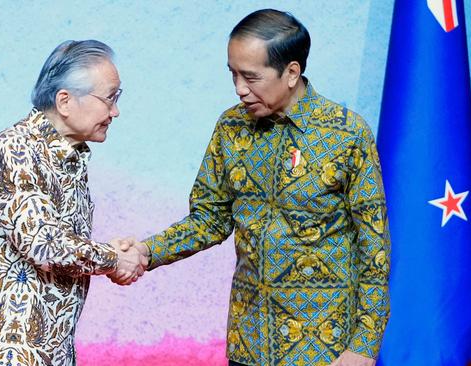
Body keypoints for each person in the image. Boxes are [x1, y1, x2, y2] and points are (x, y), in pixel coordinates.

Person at [126, 9, 390, 366]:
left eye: (251, 77)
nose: (239, 89)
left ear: (292, 72)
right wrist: (145, 251)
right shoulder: (230, 128)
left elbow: (373, 250)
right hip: (249, 344)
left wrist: (363, 347)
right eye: (233, 74)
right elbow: (210, 219)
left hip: (325, 351)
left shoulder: (347, 134)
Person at [0, 40, 148, 366]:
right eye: (109, 98)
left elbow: (61, 243)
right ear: (65, 101)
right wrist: (112, 258)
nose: (115, 111)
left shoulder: (69, 158)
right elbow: (45, 245)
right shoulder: (17, 149)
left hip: (41, 351)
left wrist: (113, 254)